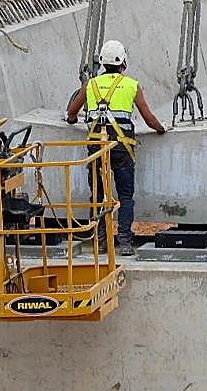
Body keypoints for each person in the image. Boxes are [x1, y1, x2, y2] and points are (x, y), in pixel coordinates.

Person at [65, 40, 166, 256]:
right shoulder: (132, 85)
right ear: (124, 63)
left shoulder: (89, 85)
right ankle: (125, 242)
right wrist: (161, 129)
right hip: (121, 149)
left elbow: (72, 113)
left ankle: (101, 242)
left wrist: (73, 119)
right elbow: (148, 118)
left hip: (96, 149)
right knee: (125, 196)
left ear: (101, 62)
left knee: (98, 196)